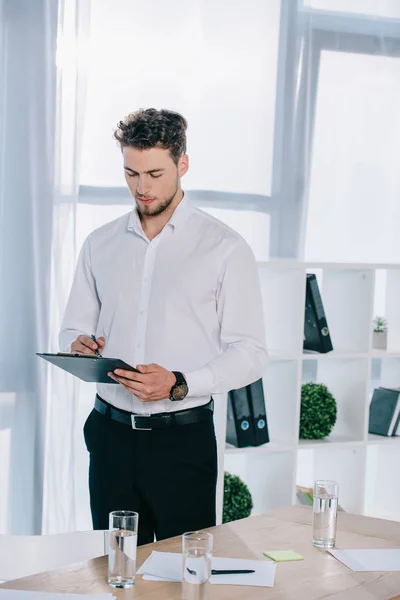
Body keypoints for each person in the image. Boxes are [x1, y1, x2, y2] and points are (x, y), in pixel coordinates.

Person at [59, 108, 268, 545]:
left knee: (183, 577)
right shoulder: (100, 243)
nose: (142, 187)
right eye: (131, 173)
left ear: (182, 164)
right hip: (109, 436)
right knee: (116, 571)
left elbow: (251, 353)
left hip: (182, 441)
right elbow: (72, 329)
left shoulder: (225, 248)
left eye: (155, 172)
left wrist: (178, 383)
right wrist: (79, 345)